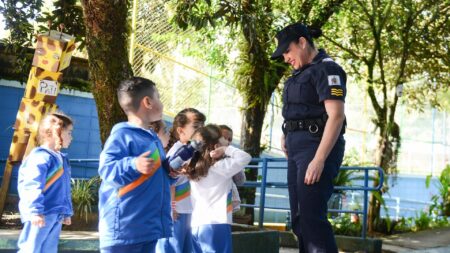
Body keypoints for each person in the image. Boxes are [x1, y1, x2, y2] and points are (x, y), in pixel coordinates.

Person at [271, 23, 346, 253]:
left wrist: (319, 159)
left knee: (312, 218)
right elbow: (300, 109)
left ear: (302, 42)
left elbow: (336, 116)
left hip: (316, 147)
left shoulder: (327, 69)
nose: (286, 58)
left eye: (288, 51)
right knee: (299, 219)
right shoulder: (298, 74)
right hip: (296, 149)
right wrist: (287, 134)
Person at [98, 77, 172, 253]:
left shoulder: (152, 138)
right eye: (159, 97)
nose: (161, 103)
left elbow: (158, 177)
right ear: (147, 102)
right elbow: (106, 169)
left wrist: (172, 173)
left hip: (147, 228)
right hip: (125, 229)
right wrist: (133, 164)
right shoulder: (122, 135)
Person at [186, 124, 251, 253]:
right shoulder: (221, 167)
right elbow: (245, 157)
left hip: (196, 224)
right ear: (216, 146)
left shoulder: (193, 168)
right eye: (224, 141)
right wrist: (226, 150)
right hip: (217, 224)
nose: (227, 143)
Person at [17, 112, 74, 253]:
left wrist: (66, 211)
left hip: (55, 213)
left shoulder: (61, 158)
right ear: (56, 132)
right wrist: (35, 211)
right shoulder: (40, 157)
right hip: (41, 212)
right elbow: (31, 185)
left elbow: (64, 188)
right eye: (69, 132)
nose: (71, 137)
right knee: (31, 248)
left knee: (49, 249)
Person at [156, 108, 206, 253]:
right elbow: (168, 180)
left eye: (202, 126)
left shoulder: (192, 151)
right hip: (176, 211)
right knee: (172, 248)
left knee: (185, 248)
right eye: (196, 126)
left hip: (186, 209)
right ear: (181, 130)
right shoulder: (178, 151)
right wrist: (171, 208)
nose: (200, 130)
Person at [218, 125, 246, 212]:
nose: (227, 142)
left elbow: (241, 181)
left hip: (227, 202)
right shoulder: (205, 157)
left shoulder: (231, 157)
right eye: (224, 138)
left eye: (230, 139)